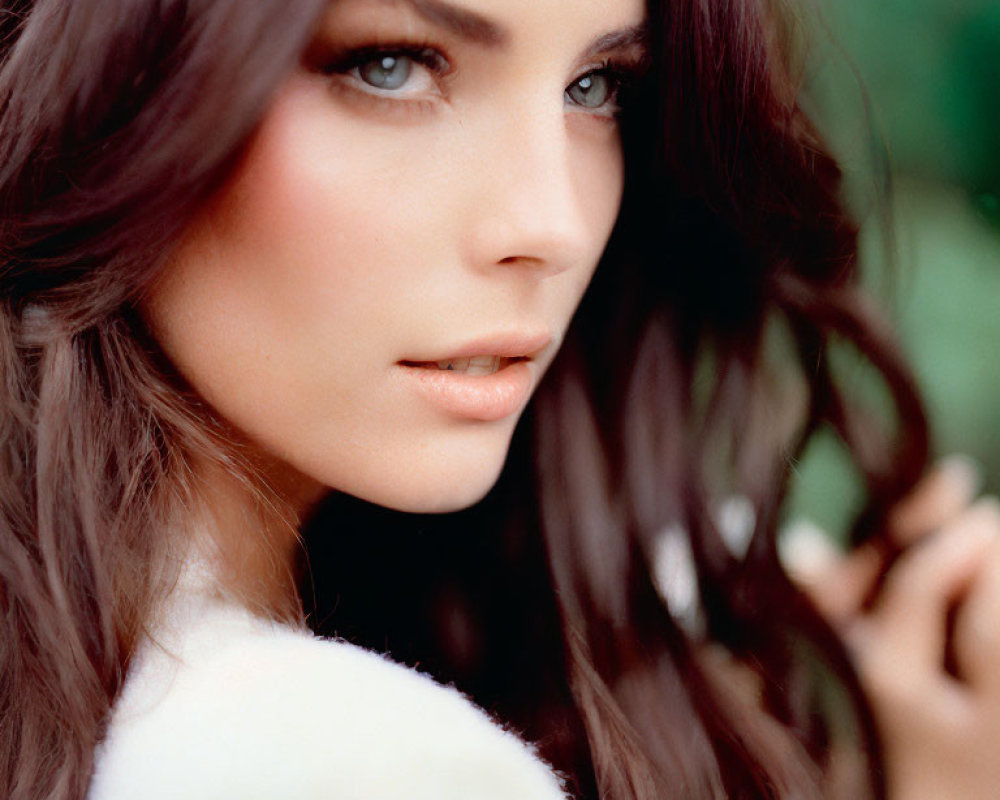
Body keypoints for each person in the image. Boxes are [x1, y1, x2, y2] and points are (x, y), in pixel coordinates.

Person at [0, 0, 928, 798]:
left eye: (596, 86)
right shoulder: (331, 759)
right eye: (391, 66)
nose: (549, 225)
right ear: (108, 80)